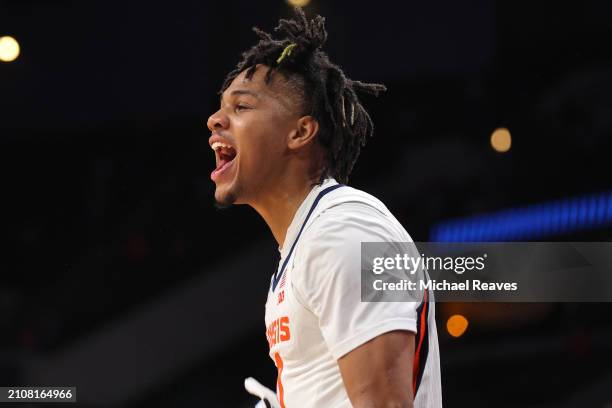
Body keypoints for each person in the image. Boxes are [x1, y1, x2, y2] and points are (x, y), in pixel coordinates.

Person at [207, 8, 442, 408]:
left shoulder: (344, 232)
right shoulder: (304, 248)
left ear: (300, 132)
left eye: (241, 107)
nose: (214, 120)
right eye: (221, 108)